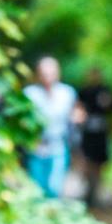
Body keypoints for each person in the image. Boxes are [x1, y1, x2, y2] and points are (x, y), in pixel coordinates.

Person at [22, 56, 81, 198]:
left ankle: (51, 212)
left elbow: (77, 112)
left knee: (54, 187)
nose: (47, 77)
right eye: (44, 73)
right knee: (36, 187)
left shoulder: (67, 93)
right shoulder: (29, 94)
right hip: (35, 146)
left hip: (59, 144)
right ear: (38, 74)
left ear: (57, 74)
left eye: (51, 73)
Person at [77, 67, 112, 208]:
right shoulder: (83, 91)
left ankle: (94, 192)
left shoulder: (105, 90)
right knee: (87, 161)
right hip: (87, 133)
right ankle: (89, 190)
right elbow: (78, 109)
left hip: (101, 132)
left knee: (99, 163)